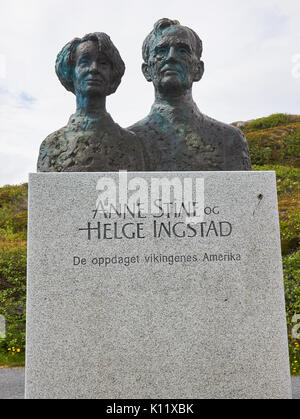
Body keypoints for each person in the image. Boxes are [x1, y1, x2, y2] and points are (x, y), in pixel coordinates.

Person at [129, 19, 252, 171]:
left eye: (182, 51)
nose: (171, 57)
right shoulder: (127, 142)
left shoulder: (230, 140)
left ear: (198, 70)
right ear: (147, 71)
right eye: (161, 51)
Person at [37, 32, 145, 172]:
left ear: (112, 75)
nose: (94, 68)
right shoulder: (51, 145)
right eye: (84, 62)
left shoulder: (130, 145)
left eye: (103, 63)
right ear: (71, 73)